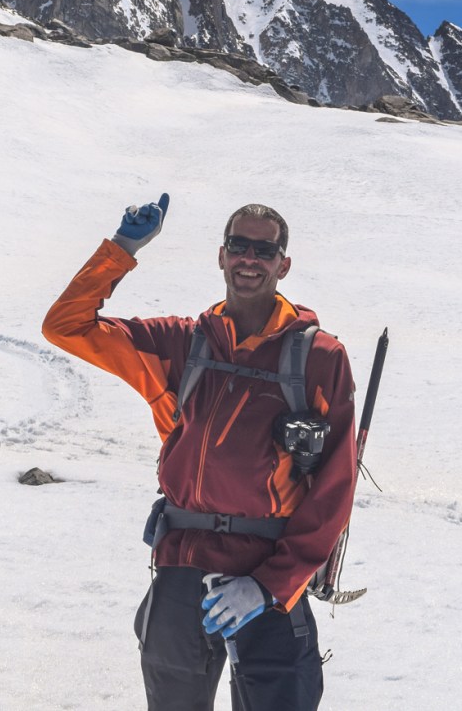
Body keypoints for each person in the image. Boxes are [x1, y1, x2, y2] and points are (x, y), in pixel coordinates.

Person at [42, 195, 357, 711]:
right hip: (182, 569)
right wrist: (123, 248)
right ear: (221, 254)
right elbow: (66, 326)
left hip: (268, 577)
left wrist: (270, 586)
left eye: (263, 249)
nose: (249, 259)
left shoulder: (320, 357)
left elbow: (335, 489)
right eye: (239, 245)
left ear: (284, 263)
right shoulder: (179, 344)